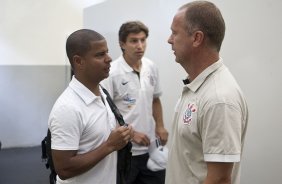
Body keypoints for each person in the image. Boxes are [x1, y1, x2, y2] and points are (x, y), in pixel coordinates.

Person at [165, 1, 249, 184]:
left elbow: (219, 180)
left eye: (174, 32)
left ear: (196, 38)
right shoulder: (196, 87)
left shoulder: (219, 99)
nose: (169, 40)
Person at [48, 29, 132, 184]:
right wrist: (109, 145)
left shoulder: (102, 94)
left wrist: (122, 135)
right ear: (79, 61)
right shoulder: (67, 108)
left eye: (107, 52)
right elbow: (64, 169)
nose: (109, 59)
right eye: (100, 55)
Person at [101, 21, 168, 184]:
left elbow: (155, 99)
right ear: (122, 44)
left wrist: (160, 125)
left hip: (151, 147)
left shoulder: (151, 67)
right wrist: (131, 134)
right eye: (134, 41)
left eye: (143, 40)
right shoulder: (112, 72)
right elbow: (104, 113)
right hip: (124, 151)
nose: (140, 46)